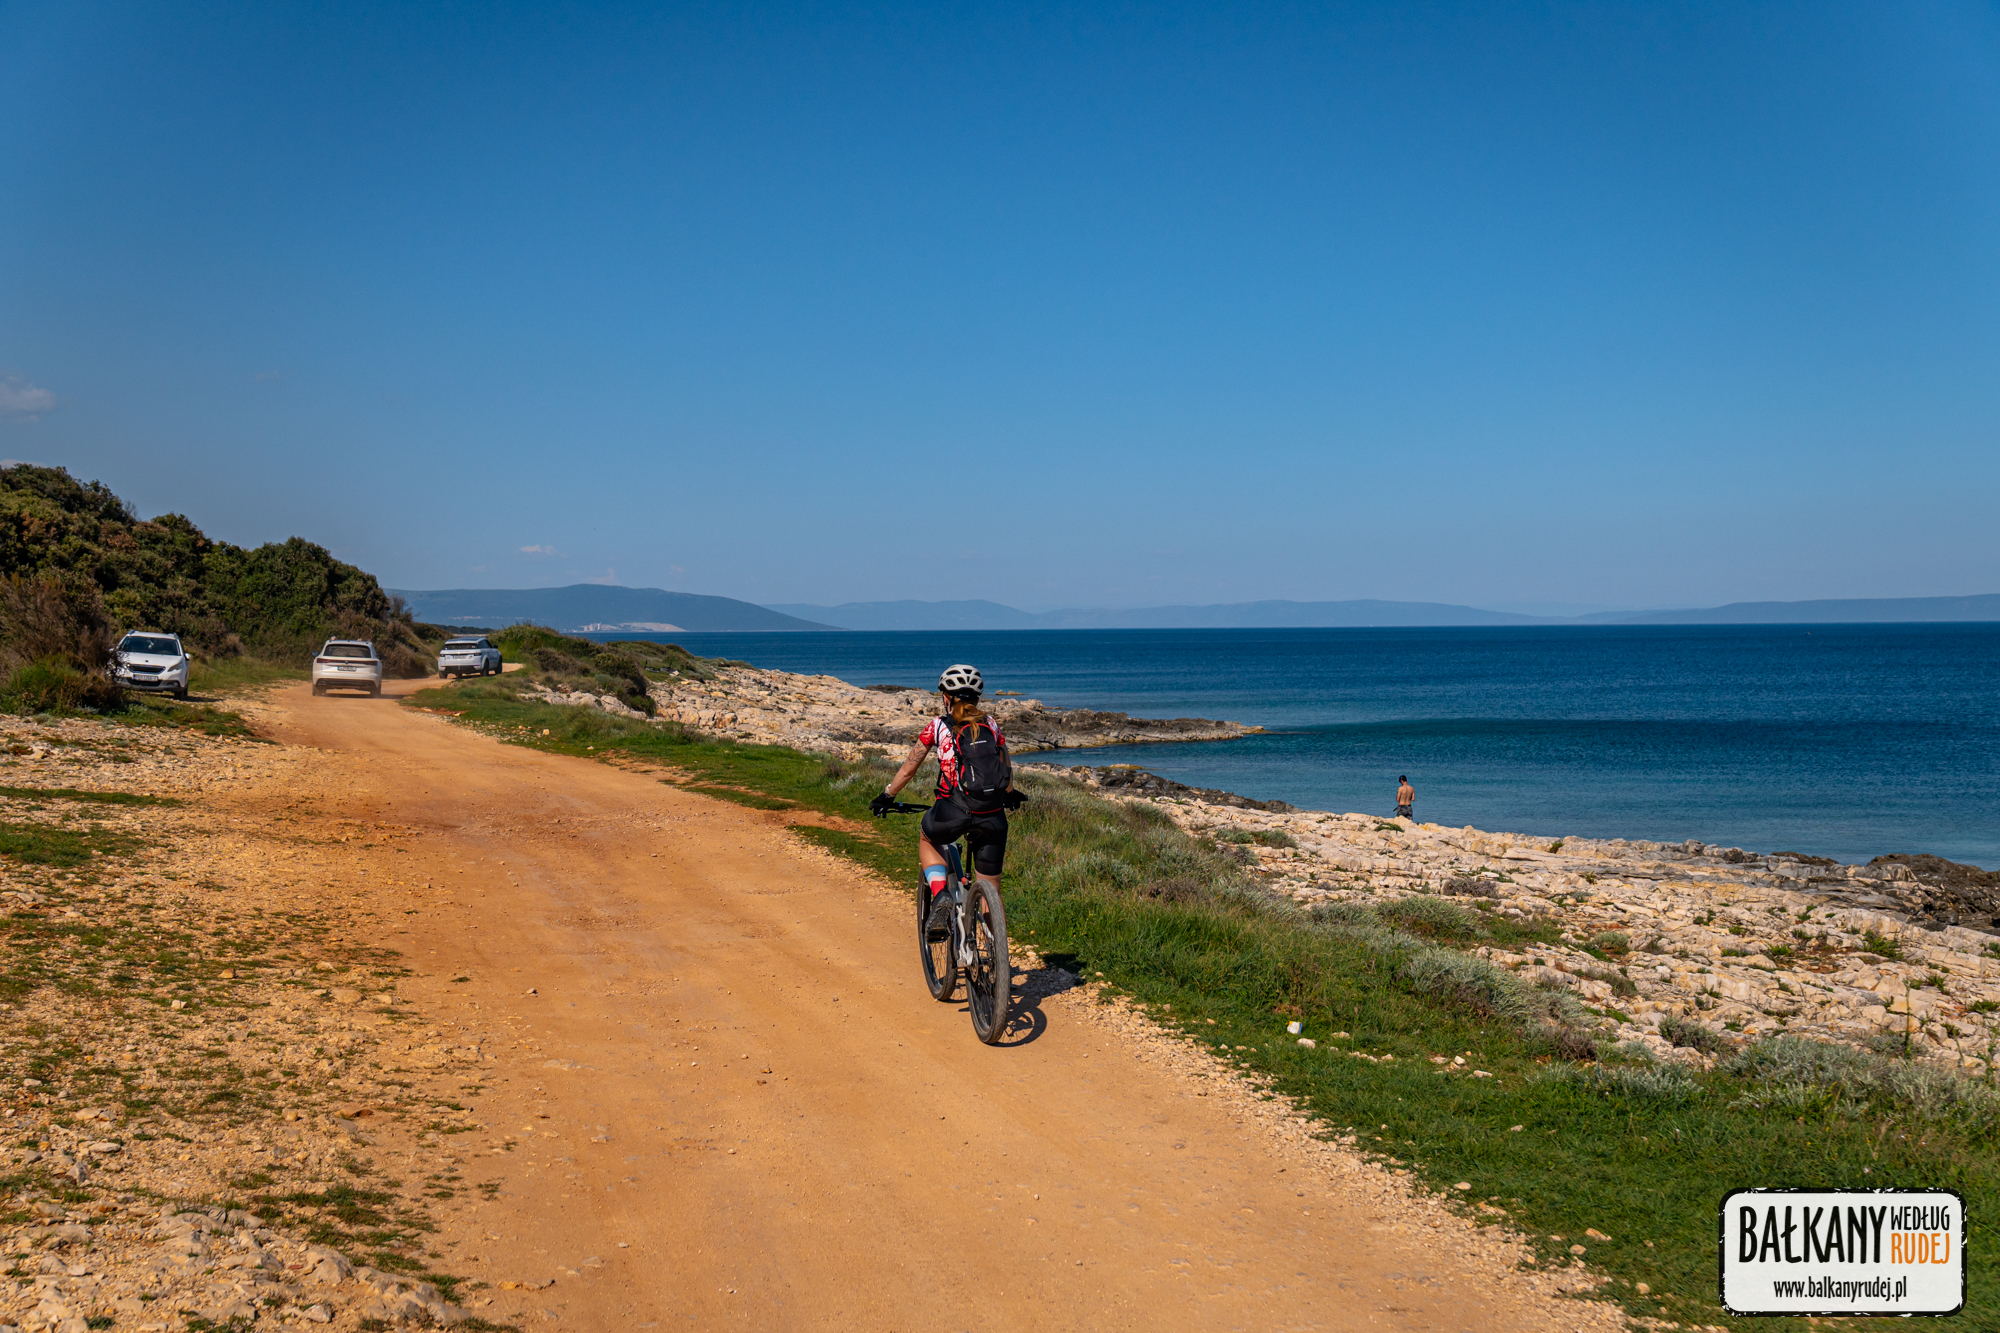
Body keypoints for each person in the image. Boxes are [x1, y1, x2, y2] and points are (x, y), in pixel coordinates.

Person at [870, 664, 1025, 935]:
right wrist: (1010, 794)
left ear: (946, 697)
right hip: (992, 815)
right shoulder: (991, 724)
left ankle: (941, 893)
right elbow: (1005, 763)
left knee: (927, 837)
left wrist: (887, 795)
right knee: (992, 889)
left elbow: (909, 768)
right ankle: (997, 951)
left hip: (952, 811)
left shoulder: (938, 725)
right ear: (976, 698)